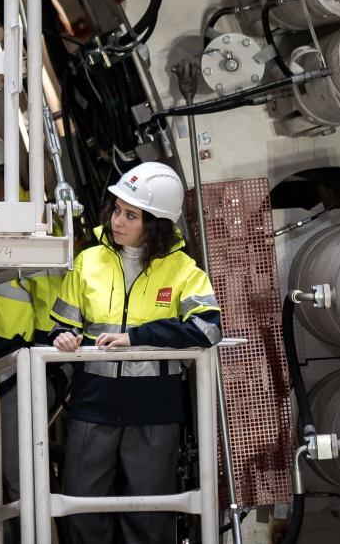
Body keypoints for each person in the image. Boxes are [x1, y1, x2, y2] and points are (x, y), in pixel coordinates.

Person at [49, 161, 222, 544]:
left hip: (154, 408)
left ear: (156, 224)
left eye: (131, 214)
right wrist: (63, 339)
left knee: (148, 515)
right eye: (116, 209)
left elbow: (208, 327)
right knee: (80, 509)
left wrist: (138, 337)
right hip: (92, 402)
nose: (117, 220)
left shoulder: (183, 270)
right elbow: (62, 325)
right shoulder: (87, 263)